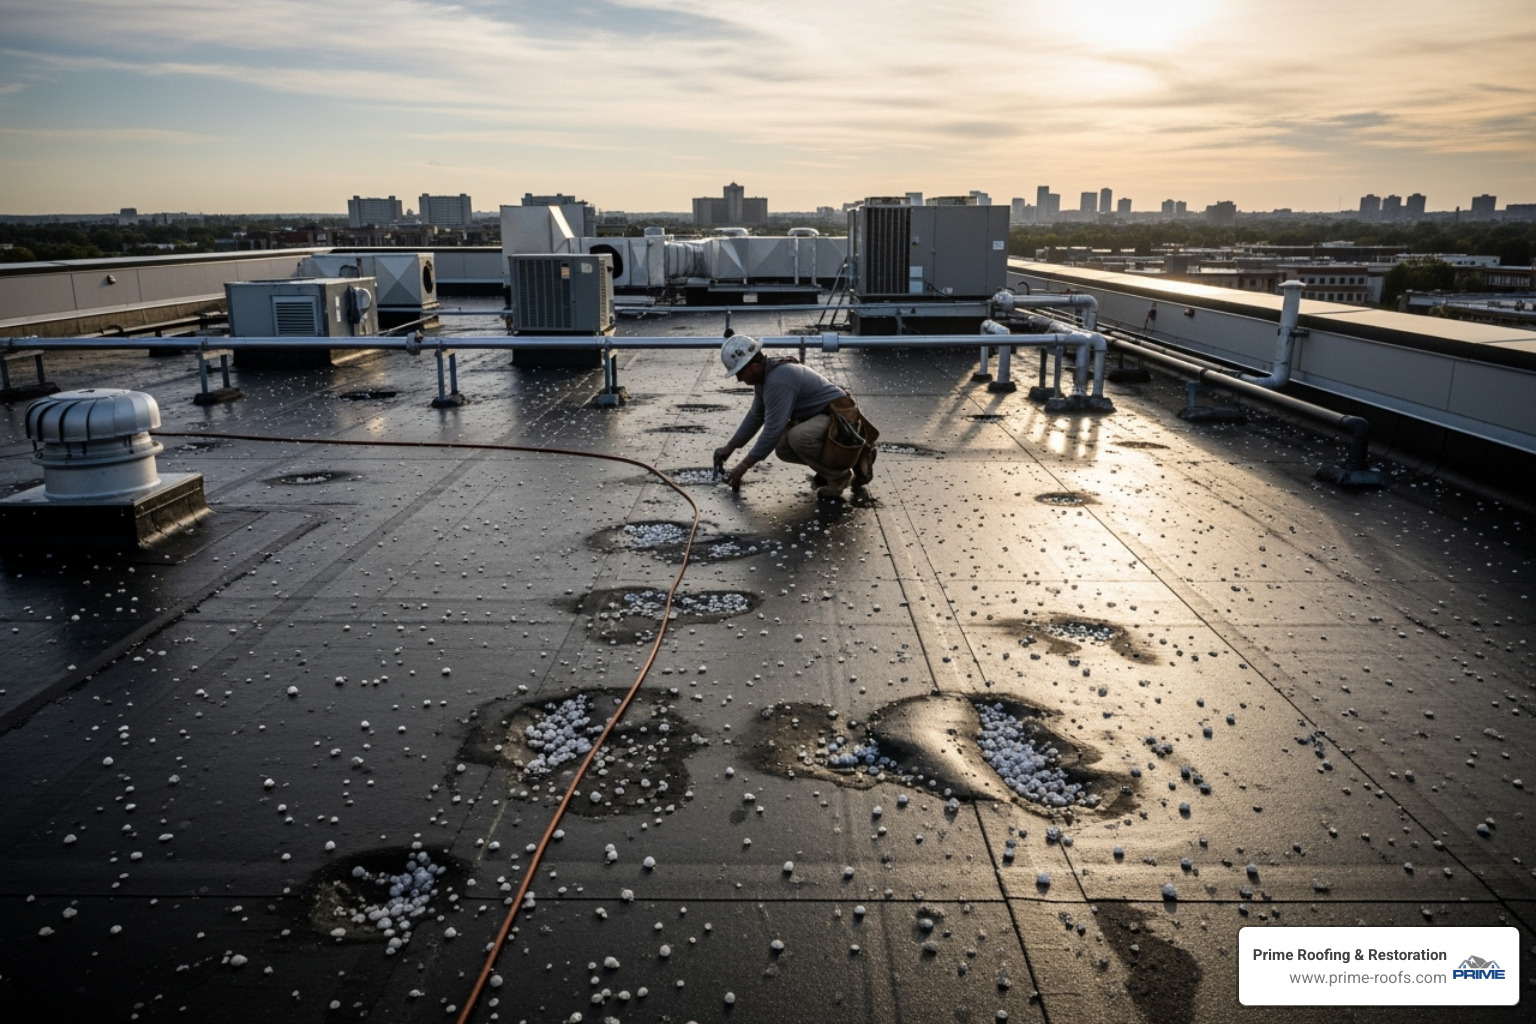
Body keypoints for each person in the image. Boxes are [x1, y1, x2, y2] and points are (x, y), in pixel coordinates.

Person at [712, 335, 877, 500]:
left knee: (798, 437)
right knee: (783, 445)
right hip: (824, 417)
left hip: (841, 419)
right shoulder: (766, 378)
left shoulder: (778, 380)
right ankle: (846, 462)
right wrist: (730, 447)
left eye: (739, 373)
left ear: (753, 365)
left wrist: (742, 467)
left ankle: (839, 476)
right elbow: (756, 416)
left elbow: (771, 430)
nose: (739, 379)